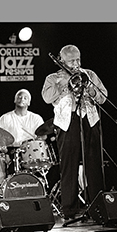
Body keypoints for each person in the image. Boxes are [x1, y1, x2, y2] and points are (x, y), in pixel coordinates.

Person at [42, 45, 107, 220]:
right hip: (67, 123)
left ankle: (98, 208)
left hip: (90, 121)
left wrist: (91, 89)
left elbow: (103, 96)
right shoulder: (53, 77)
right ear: (62, 60)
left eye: (78, 59)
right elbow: (47, 98)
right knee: (68, 165)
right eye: (71, 61)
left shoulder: (89, 74)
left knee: (94, 165)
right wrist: (62, 85)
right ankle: (69, 209)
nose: (76, 64)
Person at [0, 89, 46, 173]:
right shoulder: (5, 118)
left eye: (25, 98)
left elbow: (43, 136)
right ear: (15, 100)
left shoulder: (36, 118)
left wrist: (40, 138)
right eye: (19, 97)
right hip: (12, 153)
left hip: (32, 153)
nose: (22, 99)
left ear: (29, 103)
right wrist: (4, 152)